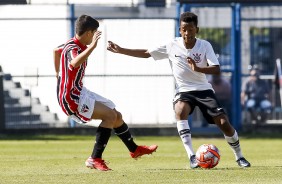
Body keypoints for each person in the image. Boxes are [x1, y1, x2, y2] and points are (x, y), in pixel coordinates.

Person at [107, 11, 251, 168]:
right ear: (180, 30)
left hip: (203, 90)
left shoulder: (204, 45)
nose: (187, 33)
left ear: (197, 29)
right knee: (180, 110)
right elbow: (147, 53)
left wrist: (198, 68)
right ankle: (192, 157)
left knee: (223, 123)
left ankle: (239, 156)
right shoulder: (172, 45)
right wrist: (121, 50)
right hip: (184, 90)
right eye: (184, 29)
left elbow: (216, 69)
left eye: (190, 29)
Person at [54, 15, 158, 171]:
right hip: (71, 99)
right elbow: (74, 62)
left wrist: (58, 74)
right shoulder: (73, 48)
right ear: (89, 32)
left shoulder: (71, 44)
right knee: (109, 116)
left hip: (79, 91)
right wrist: (93, 46)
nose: (95, 36)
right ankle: (94, 158)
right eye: (95, 32)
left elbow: (56, 51)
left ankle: (134, 149)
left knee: (117, 115)